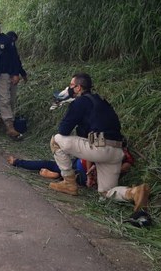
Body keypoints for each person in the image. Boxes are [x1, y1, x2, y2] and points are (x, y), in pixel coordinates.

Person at [49, 72, 149, 211]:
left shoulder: (80, 102)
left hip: (100, 147)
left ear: (78, 88)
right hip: (116, 150)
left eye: (71, 85)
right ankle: (133, 193)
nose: (69, 88)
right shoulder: (102, 102)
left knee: (56, 140)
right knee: (105, 193)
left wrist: (66, 103)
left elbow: (64, 130)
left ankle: (69, 183)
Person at [7, 147, 134, 188]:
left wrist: (93, 172)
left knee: (47, 163)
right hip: (83, 172)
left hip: (81, 170)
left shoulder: (105, 146)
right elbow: (126, 167)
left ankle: (17, 162)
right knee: (58, 166)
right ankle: (59, 175)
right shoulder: (123, 153)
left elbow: (90, 155)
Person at [5, 31, 27, 117]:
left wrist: (22, 74)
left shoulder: (11, 48)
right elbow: (17, 62)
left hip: (11, 76)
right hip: (8, 76)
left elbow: (17, 62)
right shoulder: (8, 48)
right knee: (7, 100)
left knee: (8, 100)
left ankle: (8, 118)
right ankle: (7, 118)